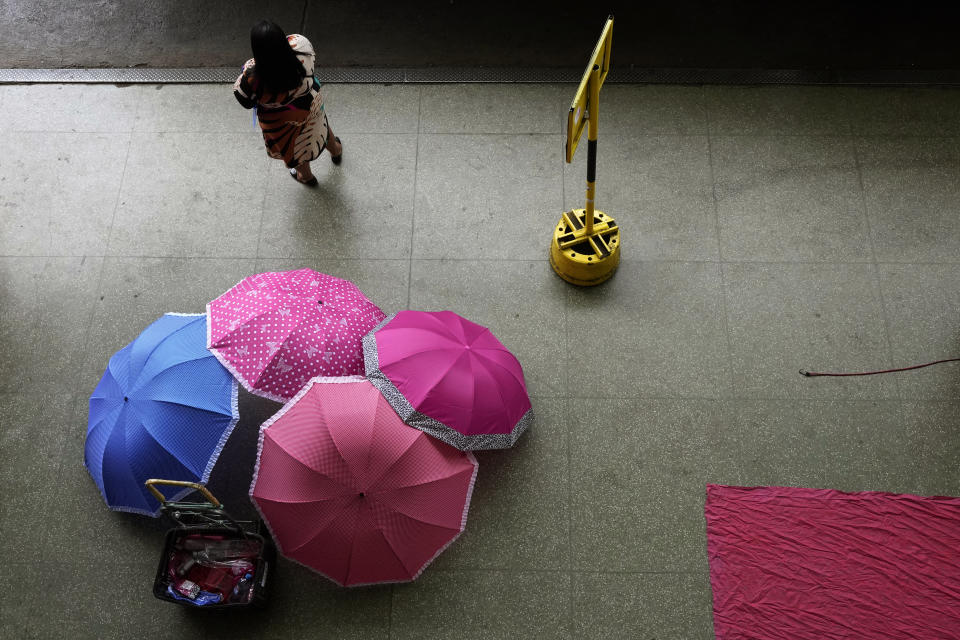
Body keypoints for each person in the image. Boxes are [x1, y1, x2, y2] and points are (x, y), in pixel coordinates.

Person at [234, 20, 343, 186]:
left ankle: (305, 177)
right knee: (319, 125)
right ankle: (335, 150)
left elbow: (246, 101)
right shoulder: (302, 50)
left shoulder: (251, 77)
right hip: (309, 105)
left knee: (294, 147)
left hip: (280, 122)